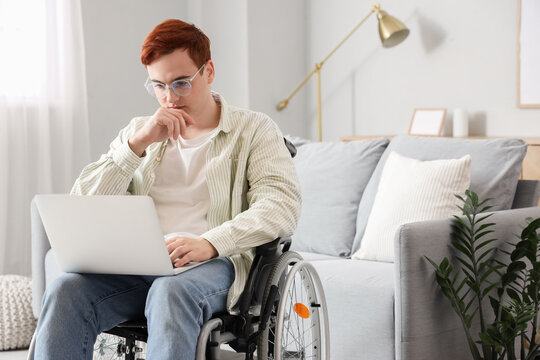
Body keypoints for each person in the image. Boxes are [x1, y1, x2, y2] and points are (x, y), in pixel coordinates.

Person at [33, 19, 301, 360]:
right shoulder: (140, 131)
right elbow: (82, 202)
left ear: (209, 72)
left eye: (181, 83)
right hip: (139, 265)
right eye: (158, 86)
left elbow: (281, 205)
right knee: (65, 290)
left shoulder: (254, 130)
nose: (169, 98)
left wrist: (210, 242)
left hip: (215, 264)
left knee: (170, 291)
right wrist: (136, 145)